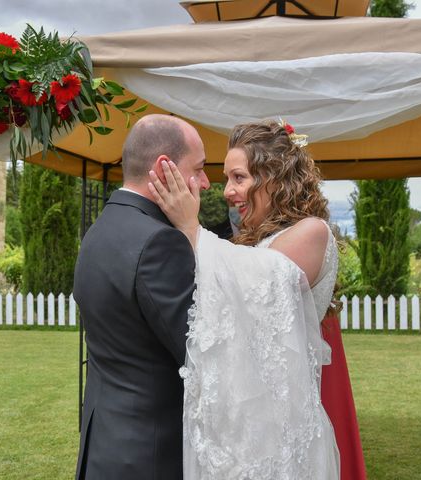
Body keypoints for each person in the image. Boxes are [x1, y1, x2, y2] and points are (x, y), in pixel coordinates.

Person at [149, 120, 341, 479]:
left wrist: (191, 228)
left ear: (274, 177)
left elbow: (257, 287)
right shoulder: (253, 241)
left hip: (280, 427)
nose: (226, 191)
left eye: (239, 178)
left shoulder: (312, 232)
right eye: (227, 179)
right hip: (242, 419)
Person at [73, 114, 209, 480]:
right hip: (148, 453)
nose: (207, 183)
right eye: (199, 169)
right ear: (166, 169)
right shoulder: (162, 242)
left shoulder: (99, 231)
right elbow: (200, 351)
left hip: (103, 443)